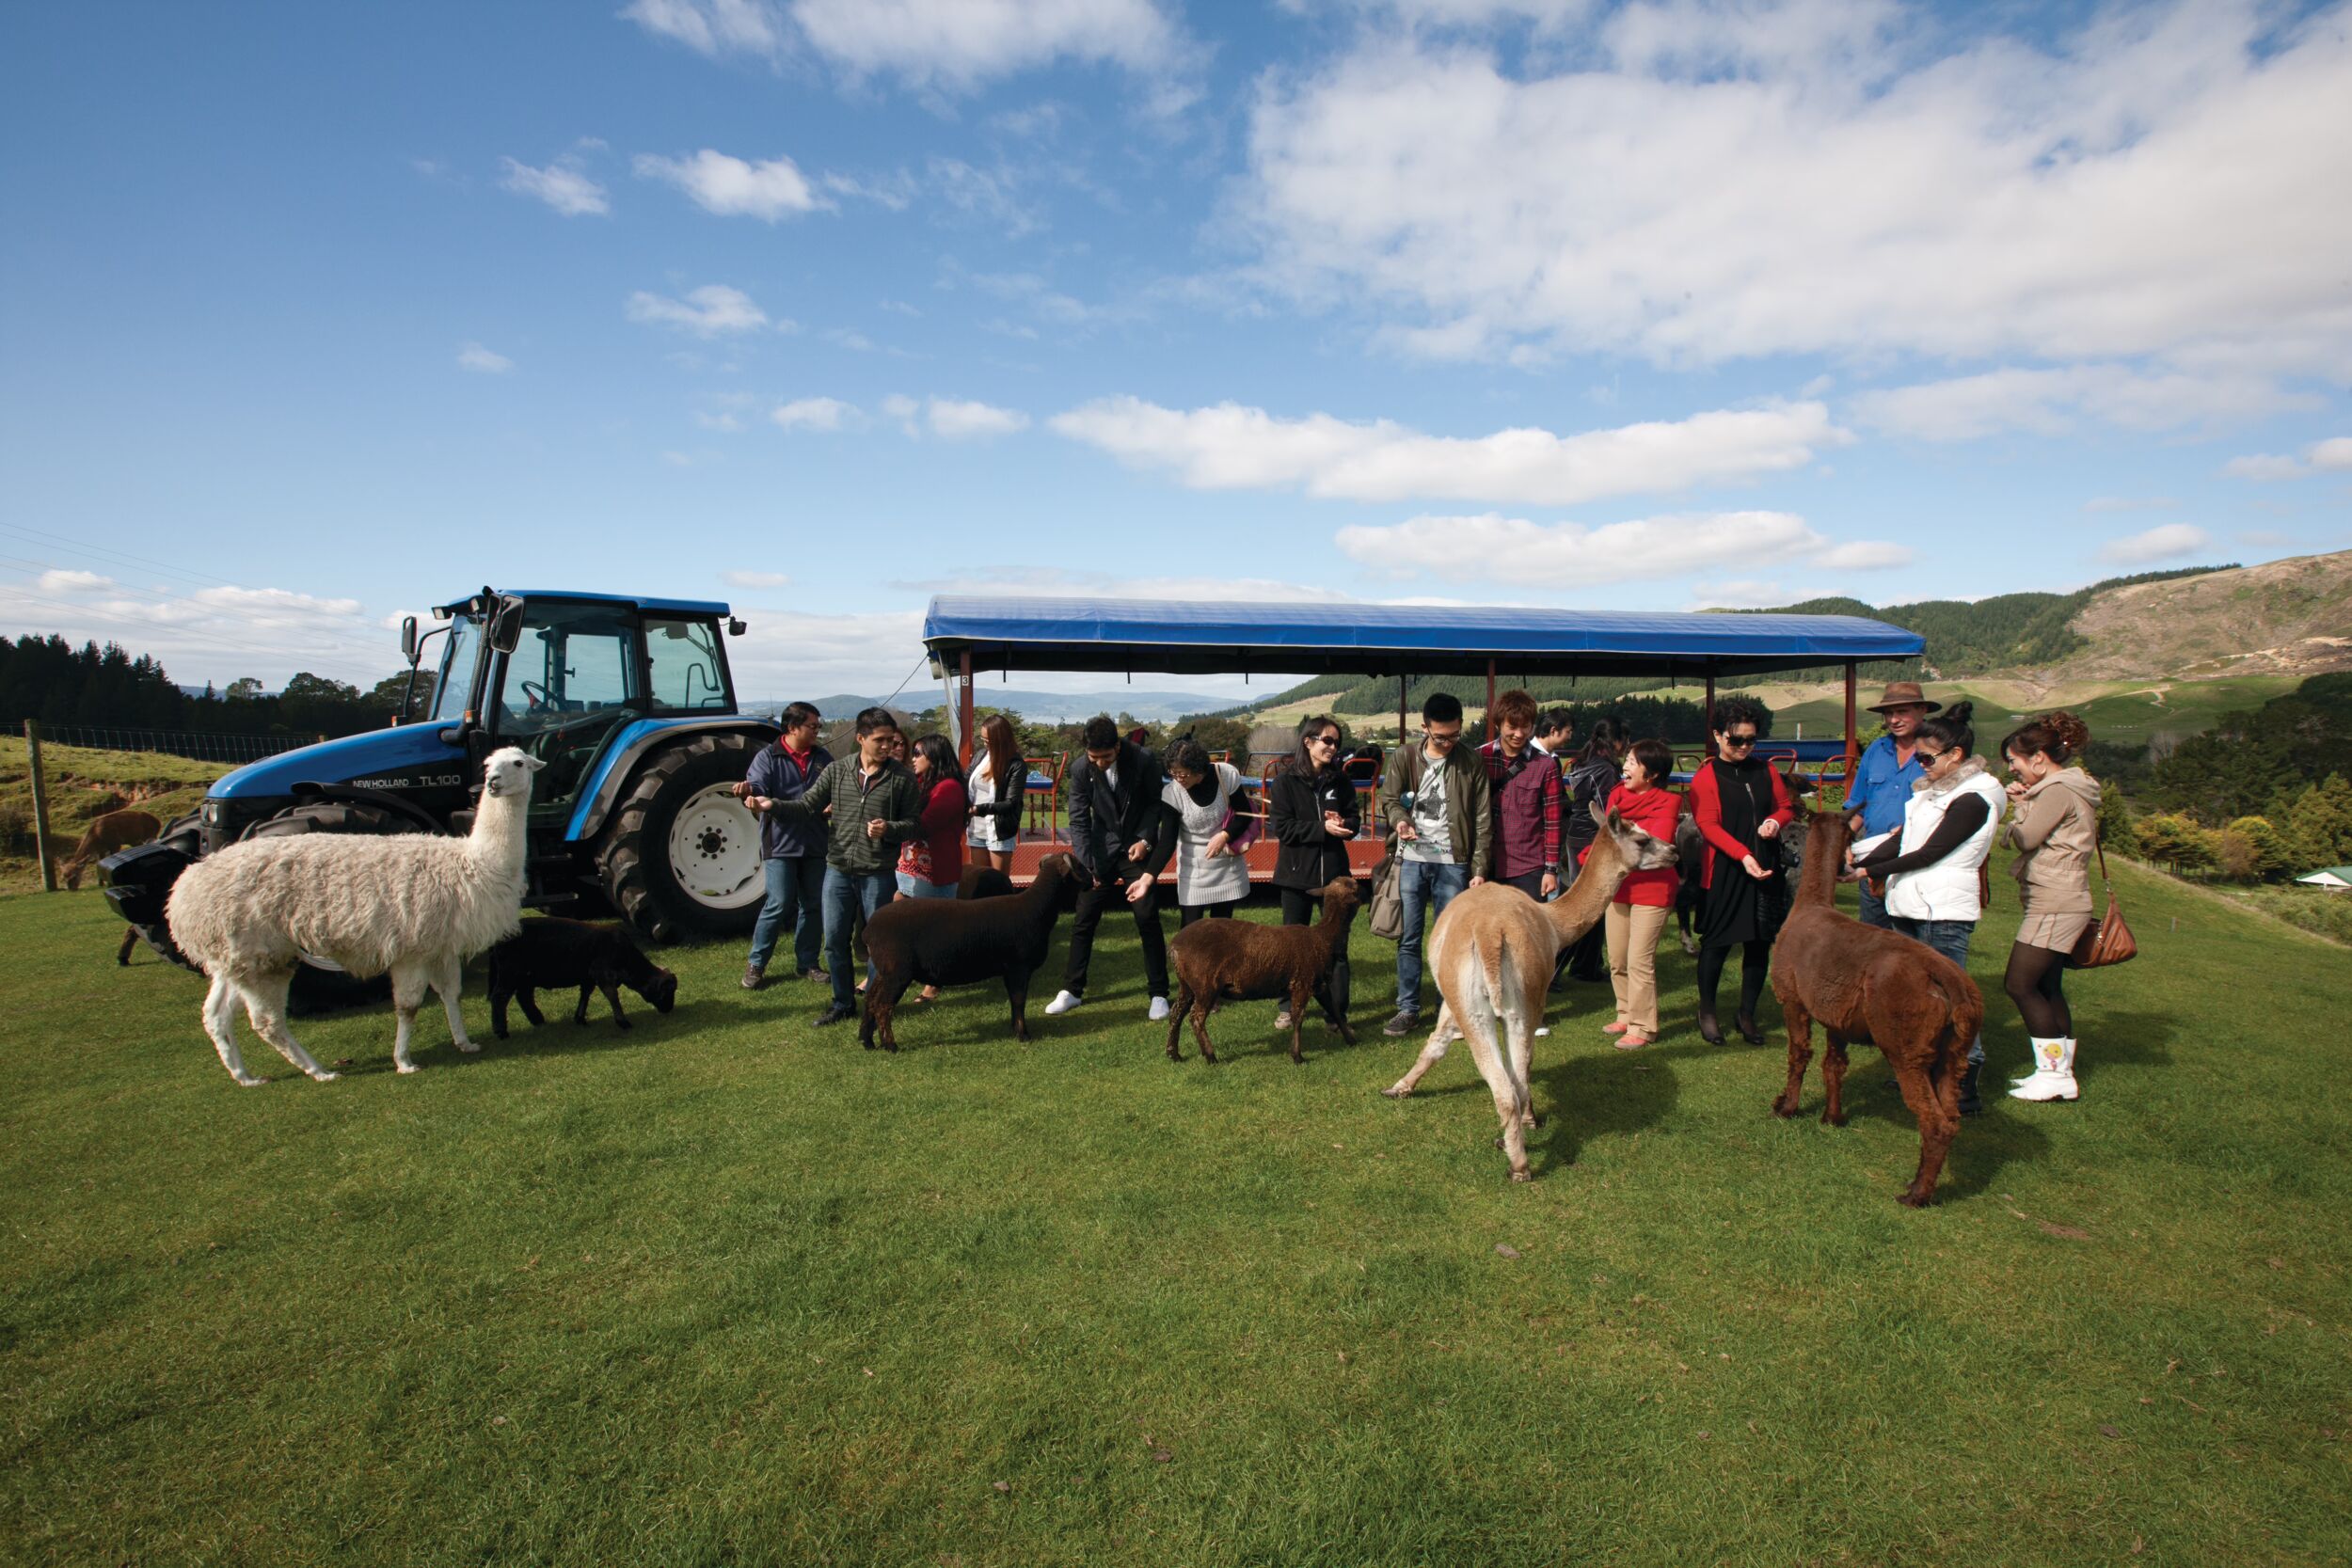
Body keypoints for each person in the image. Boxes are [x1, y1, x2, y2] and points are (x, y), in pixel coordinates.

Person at [1849, 702, 2006, 1113]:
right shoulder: (1931, 792)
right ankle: (1917, 1070)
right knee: (1917, 999)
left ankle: (1964, 1080)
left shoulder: (1975, 797)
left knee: (1954, 1000)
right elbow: (1903, 840)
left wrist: (1869, 873)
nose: (1919, 766)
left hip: (1943, 911)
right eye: (1917, 758)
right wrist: (1855, 862)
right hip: (1910, 907)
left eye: (1926, 758)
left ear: (1955, 756)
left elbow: (1930, 852)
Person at [760, 707, 924, 1025]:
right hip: (837, 870)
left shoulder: (902, 779)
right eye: (880, 740)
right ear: (860, 738)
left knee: (878, 945)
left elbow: (915, 825)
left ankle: (877, 1005)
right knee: (834, 941)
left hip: (877, 872)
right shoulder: (836, 771)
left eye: (891, 740)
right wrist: (772, 805)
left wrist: (889, 829)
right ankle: (842, 1003)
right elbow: (807, 806)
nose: (888, 746)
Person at [1375, 691, 1493, 1037]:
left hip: (1454, 863)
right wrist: (1399, 820)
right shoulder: (1404, 757)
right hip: (1411, 861)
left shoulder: (1471, 761)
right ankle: (1407, 1009)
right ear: (1424, 727)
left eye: (1456, 735)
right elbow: (1390, 799)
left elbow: (1483, 818)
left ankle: (1451, 1011)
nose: (1449, 742)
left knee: (1452, 942)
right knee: (1409, 938)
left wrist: (1480, 867)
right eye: (1441, 736)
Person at [1997, 710, 2101, 1104]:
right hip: (2062, 898)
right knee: (2047, 986)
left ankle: (2053, 1074)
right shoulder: (2072, 788)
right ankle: (2060, 1073)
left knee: (2019, 984)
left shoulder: (2057, 790)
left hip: (2054, 902)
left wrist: (2018, 809)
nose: (2013, 770)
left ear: (2039, 757)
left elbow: (2026, 838)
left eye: (2015, 761)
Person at [1043, 715, 1170, 1021]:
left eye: (1105, 757)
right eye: (1093, 757)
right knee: (1084, 919)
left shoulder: (1143, 759)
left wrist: (1145, 840)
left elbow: (1156, 804)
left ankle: (1158, 994)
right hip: (1099, 853)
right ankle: (1072, 991)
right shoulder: (1079, 768)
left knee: (1146, 917)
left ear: (1117, 746)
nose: (1099, 763)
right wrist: (1089, 866)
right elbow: (1078, 819)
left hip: (1136, 853)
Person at [1689, 697, 1794, 1046]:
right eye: (1736, 740)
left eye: (1751, 740)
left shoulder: (1766, 771)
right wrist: (1742, 854)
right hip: (1726, 871)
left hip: (1764, 868)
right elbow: (1708, 825)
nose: (1744, 747)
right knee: (1717, 944)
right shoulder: (1706, 777)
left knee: (1758, 943)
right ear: (1718, 736)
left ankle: (1746, 1013)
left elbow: (1785, 806)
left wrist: (1774, 822)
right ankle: (1708, 1011)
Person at [1267, 714, 1360, 1031]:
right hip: (1295, 877)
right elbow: (1283, 828)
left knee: (1337, 948)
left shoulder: (1341, 781)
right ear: (1308, 742)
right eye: (1327, 741)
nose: (1333, 747)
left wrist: (1344, 824)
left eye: (1337, 742)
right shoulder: (1284, 782)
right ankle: (1287, 1008)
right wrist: (1323, 828)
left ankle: (1337, 1014)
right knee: (1291, 947)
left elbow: (1354, 821)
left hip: (1335, 879)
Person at [737, 701, 830, 990]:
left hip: (815, 842)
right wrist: (750, 793)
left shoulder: (823, 757)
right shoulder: (768, 757)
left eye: (818, 726)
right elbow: (759, 791)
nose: (817, 731)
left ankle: (808, 964)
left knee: (813, 905)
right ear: (792, 728)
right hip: (780, 844)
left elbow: (834, 788)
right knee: (777, 903)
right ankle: (756, 964)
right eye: (812, 726)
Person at [1601, 737, 1683, 1050]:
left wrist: (1624, 835)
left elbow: (1656, 843)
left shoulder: (1669, 802)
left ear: (1652, 774)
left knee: (1639, 959)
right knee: (1618, 957)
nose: (1625, 766)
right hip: (1620, 884)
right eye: (1627, 760)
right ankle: (1624, 1011)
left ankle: (1643, 1026)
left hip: (1654, 887)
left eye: (1633, 762)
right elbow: (1612, 839)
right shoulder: (1615, 796)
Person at [1843, 681, 1941, 928]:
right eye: (1889, 713)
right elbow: (1858, 805)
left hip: (1918, 861)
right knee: (1872, 939)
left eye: (1902, 712)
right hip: (1873, 859)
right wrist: (1844, 840)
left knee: (1911, 942)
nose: (1894, 719)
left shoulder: (1938, 753)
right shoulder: (1876, 750)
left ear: (1922, 710)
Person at [1143, 738, 1258, 927]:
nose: (1178, 779)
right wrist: (1148, 878)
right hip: (1193, 870)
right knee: (1190, 932)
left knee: (1222, 932)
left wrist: (1224, 835)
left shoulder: (1226, 775)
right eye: (1173, 773)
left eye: (1182, 774)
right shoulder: (1172, 793)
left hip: (1227, 867)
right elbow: (1167, 842)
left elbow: (1243, 815)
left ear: (1198, 769)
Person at [1558, 717, 1626, 983]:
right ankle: (1573, 967)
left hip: (1576, 833)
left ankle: (1586, 963)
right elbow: (1608, 808)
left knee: (1584, 902)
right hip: (1592, 835)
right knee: (1590, 906)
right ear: (1616, 741)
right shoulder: (1605, 769)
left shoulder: (1582, 761)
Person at [1479, 689, 1562, 901]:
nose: (1519, 733)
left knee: (1529, 932)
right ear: (1498, 724)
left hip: (1528, 867)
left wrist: (1550, 870)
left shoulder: (1546, 765)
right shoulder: (1479, 758)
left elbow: (1552, 821)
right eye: (1512, 726)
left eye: (1525, 726)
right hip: (1485, 864)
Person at [965, 713, 1024, 874]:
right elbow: (964, 781)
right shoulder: (980, 756)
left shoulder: (1015, 764)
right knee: (979, 881)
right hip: (976, 829)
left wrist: (979, 809)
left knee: (999, 885)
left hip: (999, 831)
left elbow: (1011, 802)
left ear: (1001, 740)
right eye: (983, 740)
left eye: (989, 741)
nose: (985, 745)